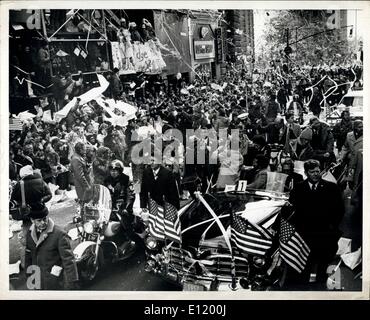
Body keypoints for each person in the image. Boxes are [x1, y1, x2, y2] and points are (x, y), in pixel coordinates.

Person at [286, 159, 344, 288]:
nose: (316, 174)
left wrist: (332, 227)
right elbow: (292, 210)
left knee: (324, 260)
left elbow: (339, 210)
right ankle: (303, 285)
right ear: (306, 173)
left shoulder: (331, 188)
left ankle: (321, 284)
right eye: (312, 172)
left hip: (325, 232)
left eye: (318, 171)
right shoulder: (298, 188)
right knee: (305, 260)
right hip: (305, 232)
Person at [25, 203, 79, 290]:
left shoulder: (59, 234)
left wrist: (72, 283)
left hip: (54, 281)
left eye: (44, 219)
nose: (43, 223)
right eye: (39, 220)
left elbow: (68, 259)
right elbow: (28, 256)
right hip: (36, 278)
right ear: (32, 220)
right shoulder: (30, 233)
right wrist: (28, 277)